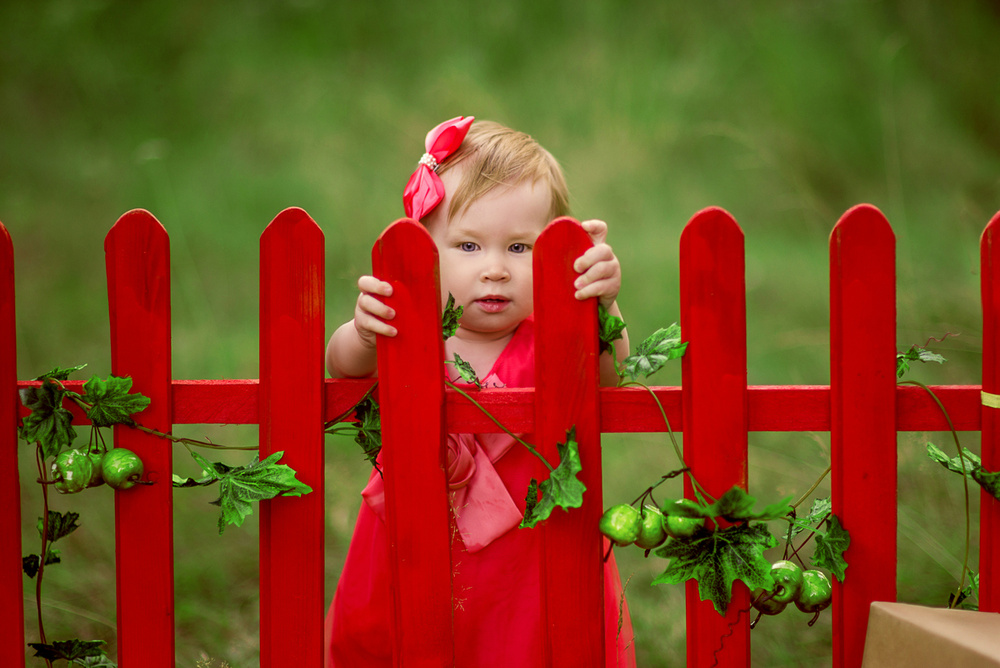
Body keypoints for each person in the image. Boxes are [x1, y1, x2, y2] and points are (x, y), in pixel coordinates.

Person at [324, 116, 636, 667]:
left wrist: (602, 306)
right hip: (418, 540)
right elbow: (344, 369)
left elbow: (611, 378)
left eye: (520, 248)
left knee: (528, 644)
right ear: (424, 247)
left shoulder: (558, 337)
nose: (495, 270)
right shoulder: (409, 330)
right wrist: (365, 332)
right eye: (468, 246)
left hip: (533, 551)